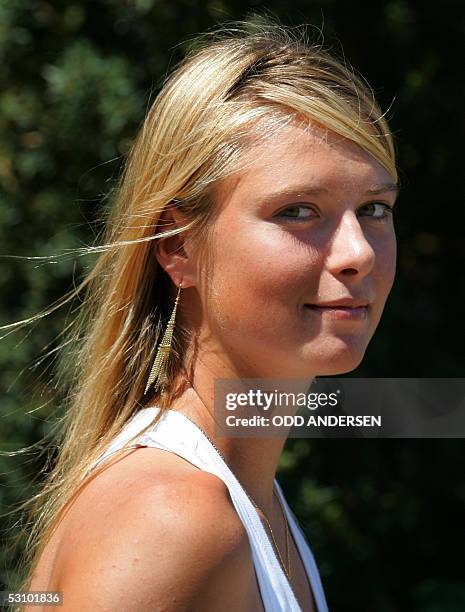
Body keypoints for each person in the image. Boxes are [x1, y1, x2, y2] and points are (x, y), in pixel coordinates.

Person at [13, 16, 399, 612]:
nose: (357, 253)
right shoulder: (173, 520)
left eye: (375, 207)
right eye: (298, 210)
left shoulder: (246, 498)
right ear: (178, 247)